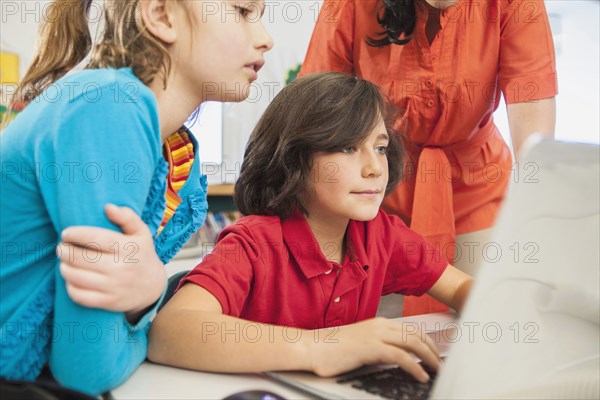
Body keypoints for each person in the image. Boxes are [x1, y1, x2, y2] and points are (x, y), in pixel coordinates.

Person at [0, 0, 272, 395]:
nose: (266, 39)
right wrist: (149, 309)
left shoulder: (180, 160)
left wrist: (143, 297)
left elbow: (112, 322)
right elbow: (86, 369)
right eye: (244, 11)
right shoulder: (110, 106)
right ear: (161, 15)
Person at [147, 72, 473, 382]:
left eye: (380, 147)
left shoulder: (381, 234)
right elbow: (170, 330)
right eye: (347, 148)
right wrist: (322, 347)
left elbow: (460, 288)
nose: (375, 167)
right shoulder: (253, 244)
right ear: (293, 160)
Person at [299, 0, 557, 316]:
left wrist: (541, 229)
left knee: (484, 323)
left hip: (478, 190)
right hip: (375, 194)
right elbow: (314, 111)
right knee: (375, 329)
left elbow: (536, 149)